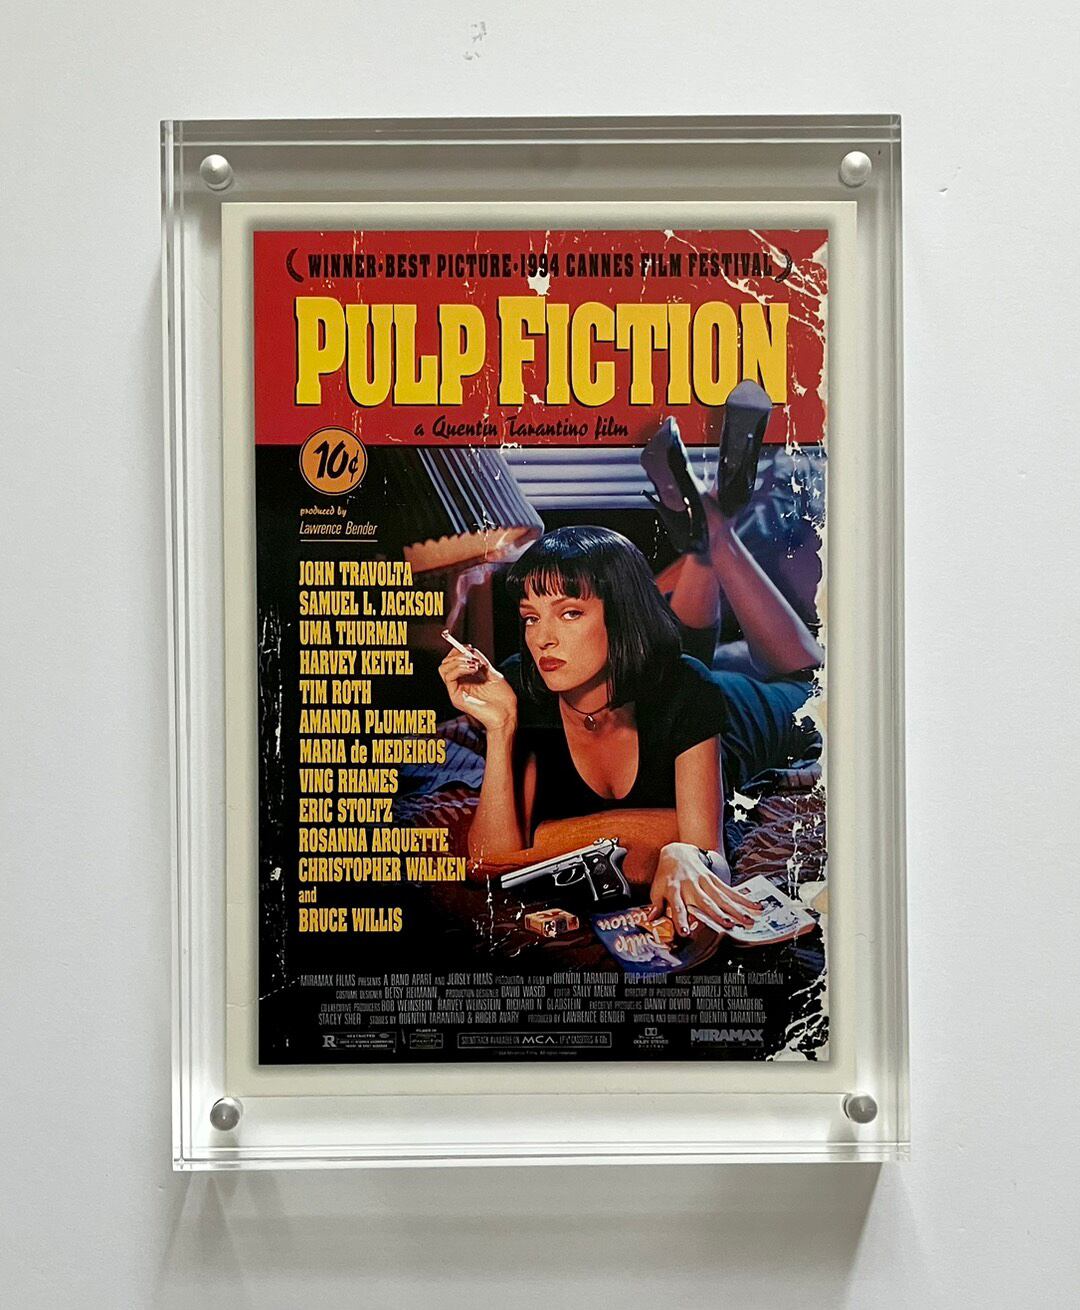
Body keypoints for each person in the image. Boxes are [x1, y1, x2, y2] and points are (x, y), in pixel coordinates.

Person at [438, 397, 823, 936]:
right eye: (529, 617)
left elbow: (704, 852)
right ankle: (705, 533)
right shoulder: (526, 686)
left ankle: (715, 533)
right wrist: (501, 728)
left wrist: (658, 846)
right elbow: (492, 863)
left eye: (568, 613)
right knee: (677, 649)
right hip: (654, 667)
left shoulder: (689, 689)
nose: (541, 638)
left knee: (810, 684)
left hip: (741, 715)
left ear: (617, 619)